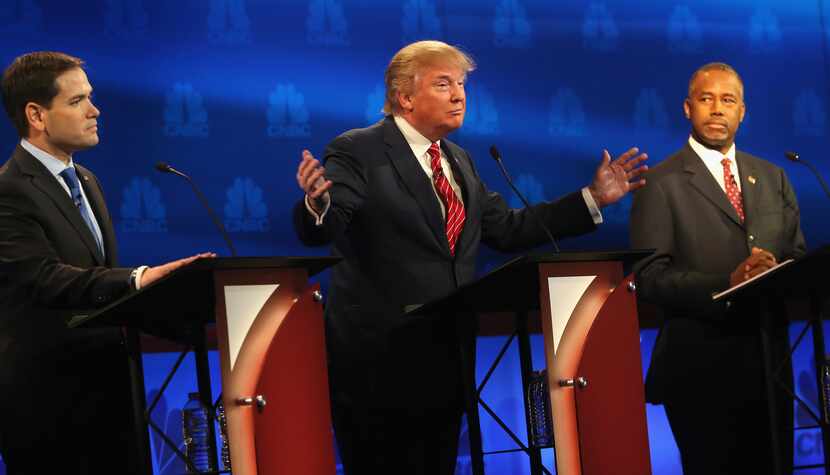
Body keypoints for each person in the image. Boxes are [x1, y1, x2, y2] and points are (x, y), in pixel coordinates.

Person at [293, 40, 647, 474]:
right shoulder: (358, 149)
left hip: (448, 355)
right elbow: (331, 219)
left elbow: (507, 229)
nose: (459, 95)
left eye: (460, 84)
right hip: (380, 363)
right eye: (443, 84)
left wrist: (591, 198)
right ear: (405, 96)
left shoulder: (458, 160)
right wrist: (316, 205)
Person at [0, 51, 213, 474]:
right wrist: (140, 278)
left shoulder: (88, 181)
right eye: (78, 101)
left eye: (90, 98)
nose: (95, 110)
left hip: (112, 394)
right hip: (49, 406)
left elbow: (97, 280)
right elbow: (43, 278)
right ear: (36, 115)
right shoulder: (8, 190)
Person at [630, 62, 807, 474]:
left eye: (727, 100)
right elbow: (651, 278)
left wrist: (777, 269)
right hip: (700, 368)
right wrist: (726, 283)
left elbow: (796, 256)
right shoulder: (661, 183)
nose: (717, 109)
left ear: (742, 112)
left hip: (770, 365)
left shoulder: (773, 176)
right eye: (706, 99)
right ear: (687, 108)